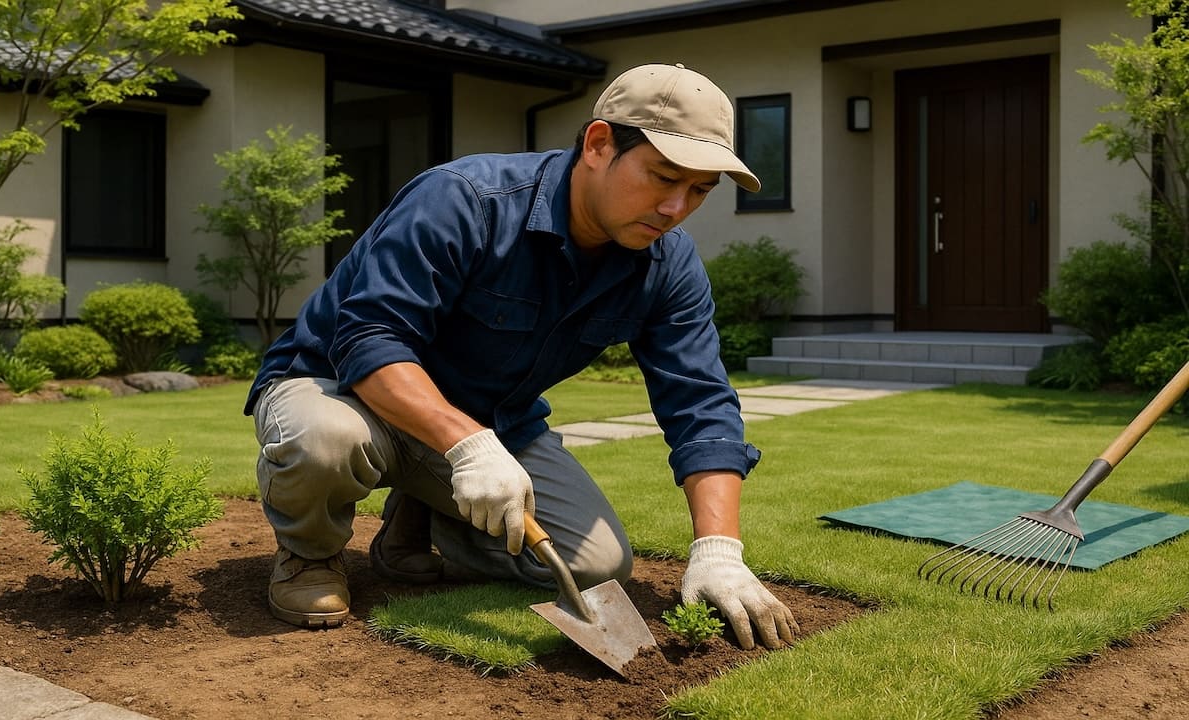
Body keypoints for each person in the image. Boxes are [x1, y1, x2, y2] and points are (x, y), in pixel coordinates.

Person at [245, 62, 799, 650]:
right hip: (339, 389)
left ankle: (423, 512)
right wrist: (469, 445)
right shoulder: (464, 200)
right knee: (325, 440)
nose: (675, 208)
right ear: (598, 143)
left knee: (597, 564)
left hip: (485, 422)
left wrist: (719, 550)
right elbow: (369, 339)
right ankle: (308, 557)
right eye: (663, 178)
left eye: (699, 191)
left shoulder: (668, 266)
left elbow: (701, 402)